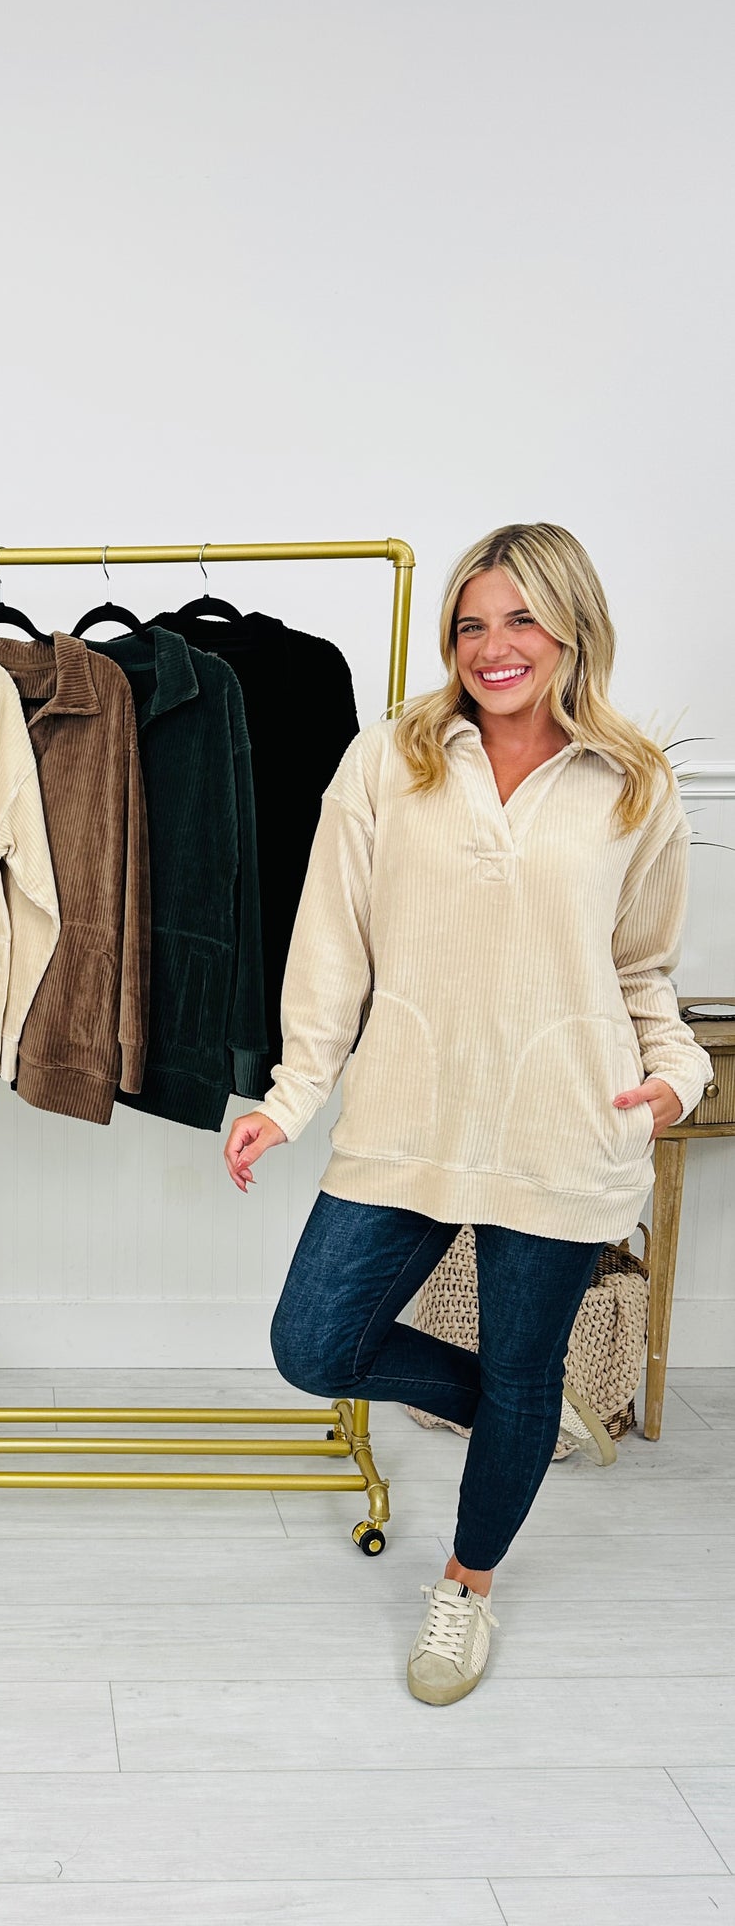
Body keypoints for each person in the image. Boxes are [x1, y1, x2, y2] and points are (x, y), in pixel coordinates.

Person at [224, 522, 712, 1706]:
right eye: (472, 623)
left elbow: (641, 969)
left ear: (574, 627)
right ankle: (524, 1415)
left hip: (565, 1122)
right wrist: (293, 1094)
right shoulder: (389, 759)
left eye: (523, 618)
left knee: (524, 1368)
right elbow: (330, 943)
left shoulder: (634, 779)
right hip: (409, 1117)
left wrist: (675, 1076)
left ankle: (466, 1586)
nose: (495, 646)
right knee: (314, 1344)